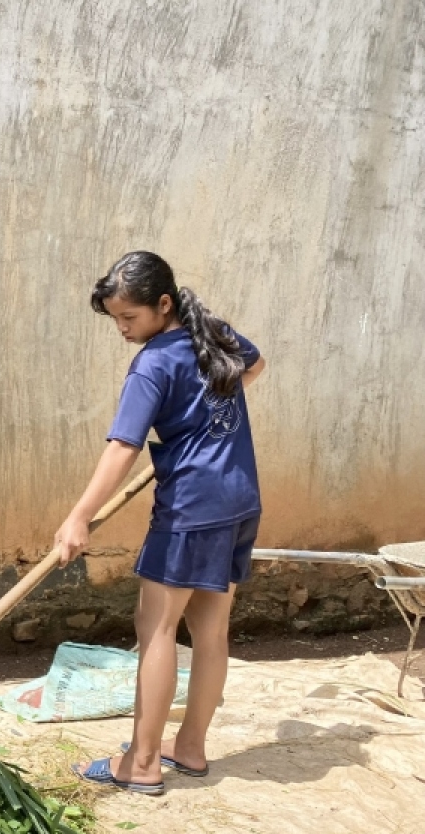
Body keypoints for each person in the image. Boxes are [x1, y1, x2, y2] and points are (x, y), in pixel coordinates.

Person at [63, 251, 265, 796]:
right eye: (116, 320)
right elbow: (255, 365)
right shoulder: (214, 334)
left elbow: (123, 446)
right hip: (239, 498)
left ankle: (143, 762)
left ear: (163, 305)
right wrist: (202, 421)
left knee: (155, 627)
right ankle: (191, 748)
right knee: (210, 629)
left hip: (191, 510)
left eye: (129, 318)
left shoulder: (153, 363)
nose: (123, 330)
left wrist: (78, 517)